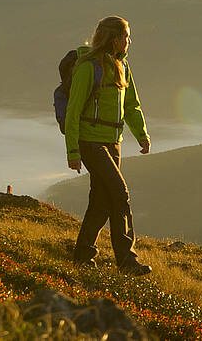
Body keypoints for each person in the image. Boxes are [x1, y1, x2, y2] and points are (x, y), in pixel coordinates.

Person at [64, 15, 153, 276]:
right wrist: (72, 150)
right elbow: (73, 111)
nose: (129, 41)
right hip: (90, 142)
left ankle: (82, 255)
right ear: (115, 39)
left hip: (114, 143)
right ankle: (126, 260)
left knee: (101, 201)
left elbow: (131, 104)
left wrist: (142, 134)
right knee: (120, 193)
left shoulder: (122, 66)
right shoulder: (87, 67)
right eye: (126, 36)